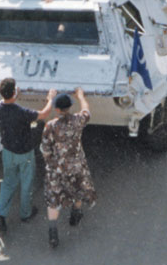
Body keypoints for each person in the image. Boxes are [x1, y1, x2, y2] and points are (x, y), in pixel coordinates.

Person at [0, 79, 57, 235]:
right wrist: (51, 99)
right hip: (24, 153)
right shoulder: (21, 112)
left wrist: (14, 94)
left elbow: (5, 102)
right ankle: (26, 213)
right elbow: (44, 114)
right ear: (14, 92)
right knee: (26, 182)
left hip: (8, 152)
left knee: (8, 182)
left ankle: (0, 213)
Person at [40, 88, 96, 249]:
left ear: (57, 109)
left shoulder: (51, 126)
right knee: (77, 190)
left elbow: (45, 149)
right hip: (77, 165)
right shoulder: (78, 120)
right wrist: (81, 96)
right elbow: (86, 110)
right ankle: (75, 216)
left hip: (57, 168)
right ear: (70, 107)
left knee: (54, 199)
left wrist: (52, 164)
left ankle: (53, 233)